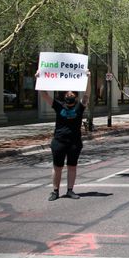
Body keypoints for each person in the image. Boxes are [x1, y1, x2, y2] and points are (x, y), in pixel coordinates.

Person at [36, 69, 91, 201]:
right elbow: (44, 95)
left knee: (72, 166)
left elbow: (87, 95)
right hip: (59, 142)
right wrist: (39, 78)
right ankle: (55, 191)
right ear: (64, 95)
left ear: (76, 96)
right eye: (67, 92)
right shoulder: (58, 106)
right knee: (57, 167)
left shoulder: (79, 107)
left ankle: (70, 190)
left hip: (74, 143)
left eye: (72, 93)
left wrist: (89, 78)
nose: (70, 94)